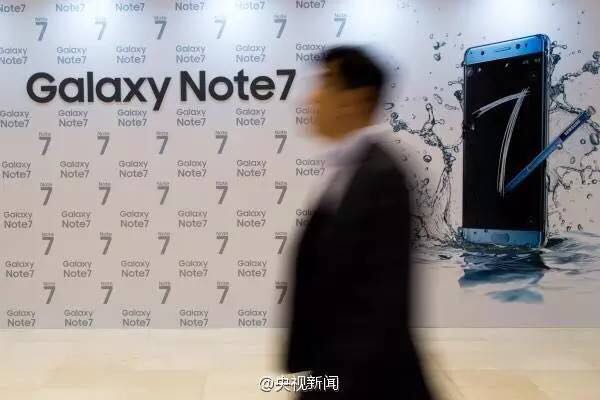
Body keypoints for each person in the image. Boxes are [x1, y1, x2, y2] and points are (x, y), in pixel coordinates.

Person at [282, 46, 435, 399]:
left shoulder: (382, 177)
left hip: (365, 381)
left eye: (325, 83)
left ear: (356, 99)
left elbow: (379, 304)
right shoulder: (348, 168)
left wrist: (329, 386)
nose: (311, 97)